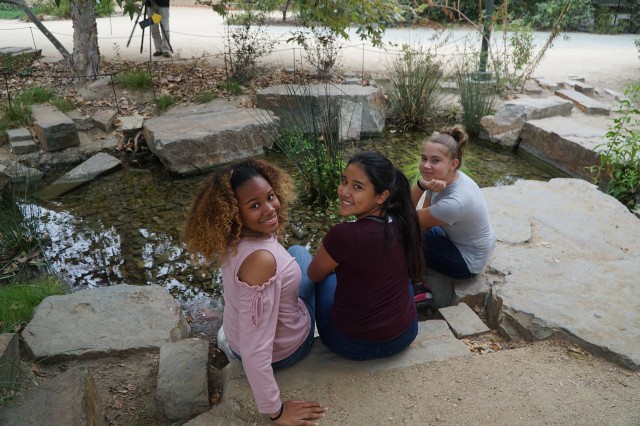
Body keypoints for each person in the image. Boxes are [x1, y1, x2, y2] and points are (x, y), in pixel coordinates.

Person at [182, 159, 328, 425]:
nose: (269, 208)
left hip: (237, 336)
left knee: (297, 253)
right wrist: (277, 411)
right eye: (254, 205)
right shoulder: (261, 262)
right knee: (325, 275)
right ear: (234, 212)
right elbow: (255, 349)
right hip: (285, 351)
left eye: (270, 197)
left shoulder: (233, 238)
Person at [307, 151, 424, 361]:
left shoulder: (343, 235)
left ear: (382, 196)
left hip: (352, 345)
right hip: (405, 335)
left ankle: (294, 336)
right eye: (344, 181)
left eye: (357, 187)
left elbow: (314, 275)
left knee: (303, 259)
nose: (344, 192)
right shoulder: (402, 220)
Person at [411, 126, 496, 280]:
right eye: (424, 158)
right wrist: (425, 186)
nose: (426, 165)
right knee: (410, 233)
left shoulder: (456, 202)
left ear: (453, 164)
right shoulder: (442, 178)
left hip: (466, 261)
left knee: (400, 236)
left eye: (435, 160)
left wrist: (419, 186)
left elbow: (404, 218)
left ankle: (414, 285)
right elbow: (425, 225)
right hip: (456, 239)